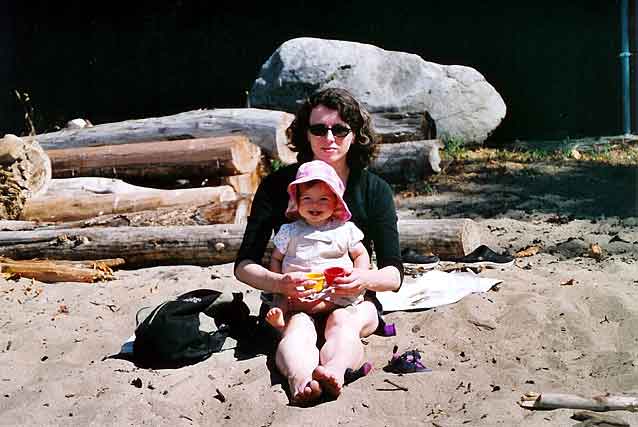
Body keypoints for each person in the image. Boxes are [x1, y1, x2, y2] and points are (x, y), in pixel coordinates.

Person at [234, 87, 404, 405]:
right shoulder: (277, 186)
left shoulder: (374, 190)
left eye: (340, 129)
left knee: (345, 326)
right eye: (318, 128)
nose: (329, 137)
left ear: (356, 135)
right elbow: (244, 265)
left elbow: (394, 274)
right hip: (292, 301)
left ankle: (335, 371)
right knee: (296, 333)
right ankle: (301, 381)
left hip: (349, 301)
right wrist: (280, 283)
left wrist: (362, 279)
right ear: (305, 133)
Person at [265, 160, 371, 331]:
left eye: (323, 199)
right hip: (296, 289)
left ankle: (305, 311)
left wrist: (359, 274)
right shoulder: (289, 231)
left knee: (336, 298)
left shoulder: (344, 229)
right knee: (280, 300)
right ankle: (280, 317)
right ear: (297, 202)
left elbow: (360, 254)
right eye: (307, 198)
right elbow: (276, 258)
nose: (315, 205)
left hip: (332, 289)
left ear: (336, 202)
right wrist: (280, 282)